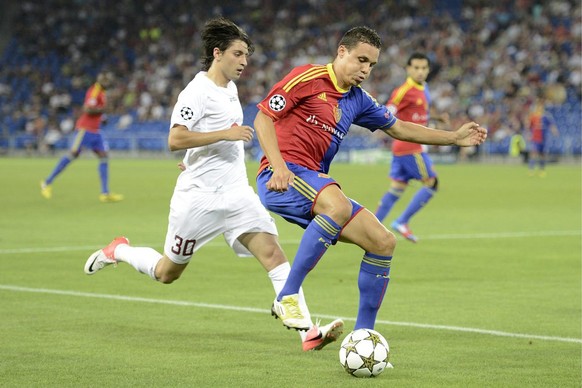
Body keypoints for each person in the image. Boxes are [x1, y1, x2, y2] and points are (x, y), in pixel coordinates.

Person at [83, 17, 343, 352]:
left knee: (274, 254)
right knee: (167, 273)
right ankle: (118, 249)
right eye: (238, 54)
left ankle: (306, 331)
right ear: (217, 53)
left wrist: (198, 156)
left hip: (236, 195)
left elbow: (196, 145)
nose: (244, 61)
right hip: (198, 200)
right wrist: (225, 135)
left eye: (246, 55)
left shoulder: (230, 89)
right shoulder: (196, 91)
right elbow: (175, 138)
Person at [254, 26, 487, 331]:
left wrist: (453, 138)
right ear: (342, 52)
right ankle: (287, 296)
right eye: (361, 60)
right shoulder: (307, 77)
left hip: (314, 182)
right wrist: (279, 165)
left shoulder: (358, 99)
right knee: (337, 205)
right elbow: (263, 117)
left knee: (383, 241)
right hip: (280, 175)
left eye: (371, 65)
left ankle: (364, 336)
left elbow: (400, 128)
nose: (365, 69)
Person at [374, 53, 450, 243]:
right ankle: (402, 221)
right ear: (408, 69)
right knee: (432, 183)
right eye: (416, 68)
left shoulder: (423, 87)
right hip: (411, 145)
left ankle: (372, 227)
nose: (420, 71)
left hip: (401, 148)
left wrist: (437, 118)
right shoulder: (404, 90)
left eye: (424, 68)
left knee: (397, 188)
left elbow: (418, 114)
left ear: (428, 70)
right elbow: (390, 109)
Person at [40, 72, 123, 202]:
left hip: (96, 130)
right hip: (85, 129)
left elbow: (96, 110)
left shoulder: (101, 92)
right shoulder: (95, 91)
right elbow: (88, 109)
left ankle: (105, 193)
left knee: (104, 157)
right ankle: (46, 182)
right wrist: (104, 109)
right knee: (73, 154)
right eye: (107, 81)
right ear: (102, 80)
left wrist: (102, 117)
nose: (109, 83)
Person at [527, 95, 559, 177]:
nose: (539, 107)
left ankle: (542, 170)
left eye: (541, 106)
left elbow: (552, 125)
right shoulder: (533, 116)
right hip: (535, 138)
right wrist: (528, 134)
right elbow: (529, 126)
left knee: (542, 155)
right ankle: (531, 170)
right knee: (533, 153)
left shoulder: (546, 116)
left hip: (543, 139)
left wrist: (554, 131)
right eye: (538, 105)